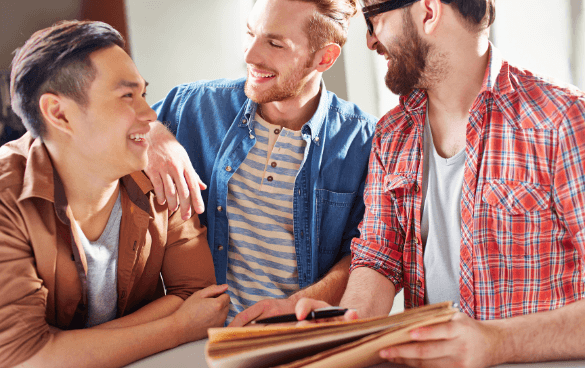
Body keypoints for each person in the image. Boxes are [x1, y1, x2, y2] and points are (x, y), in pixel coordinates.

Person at [296, 0, 585, 366]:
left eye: (373, 20)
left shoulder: (563, 121)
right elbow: (378, 258)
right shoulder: (391, 134)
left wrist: (498, 343)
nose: (369, 41)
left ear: (428, 12)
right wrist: (346, 326)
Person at [0, 20, 230, 368]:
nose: (150, 116)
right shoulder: (7, 196)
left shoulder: (158, 174)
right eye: (126, 96)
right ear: (58, 113)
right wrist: (175, 329)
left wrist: (65, 347)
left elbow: (199, 299)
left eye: (143, 94)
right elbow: (25, 356)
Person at [148, 0, 377, 325]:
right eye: (250, 33)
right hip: (197, 340)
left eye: (274, 43)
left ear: (324, 58)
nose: (250, 55)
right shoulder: (194, 106)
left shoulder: (366, 142)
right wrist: (151, 133)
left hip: (296, 339)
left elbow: (366, 254)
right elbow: (116, 126)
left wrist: (296, 306)